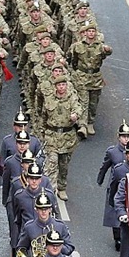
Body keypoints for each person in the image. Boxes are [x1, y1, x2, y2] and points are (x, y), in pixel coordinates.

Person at [41, 73, 84, 201]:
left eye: (63, 85)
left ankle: (62, 188)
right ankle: (50, 192)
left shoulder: (71, 98)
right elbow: (44, 116)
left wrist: (75, 115)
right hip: (52, 136)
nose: (62, 87)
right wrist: (42, 131)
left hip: (67, 137)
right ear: (55, 86)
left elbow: (78, 108)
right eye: (59, 85)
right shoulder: (49, 99)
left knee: (63, 165)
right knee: (52, 164)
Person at [67, 21, 112, 136]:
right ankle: (82, 125)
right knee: (83, 101)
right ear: (85, 33)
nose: (91, 33)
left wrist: (107, 49)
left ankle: (90, 122)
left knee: (93, 102)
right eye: (89, 31)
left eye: (93, 31)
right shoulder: (78, 46)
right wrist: (76, 72)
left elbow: (108, 52)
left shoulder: (100, 46)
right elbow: (73, 60)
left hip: (95, 78)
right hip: (82, 77)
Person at [98, 121, 129, 251]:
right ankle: (117, 237)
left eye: (128, 136)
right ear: (118, 137)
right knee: (114, 212)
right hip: (116, 184)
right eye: (123, 136)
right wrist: (100, 178)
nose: (126, 139)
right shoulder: (112, 152)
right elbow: (105, 166)